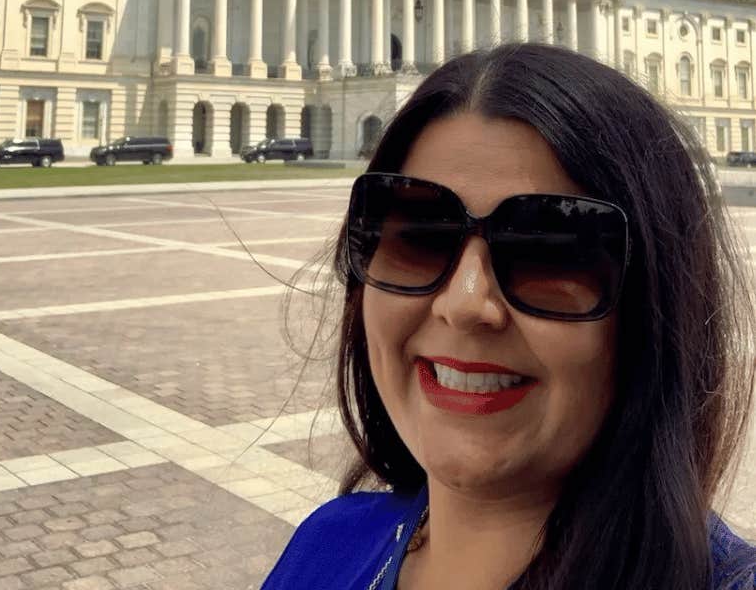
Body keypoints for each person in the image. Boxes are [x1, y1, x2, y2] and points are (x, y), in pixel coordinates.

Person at [262, 43, 756, 589]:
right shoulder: (326, 545)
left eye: (550, 248)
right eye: (420, 238)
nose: (465, 303)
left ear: (655, 309)